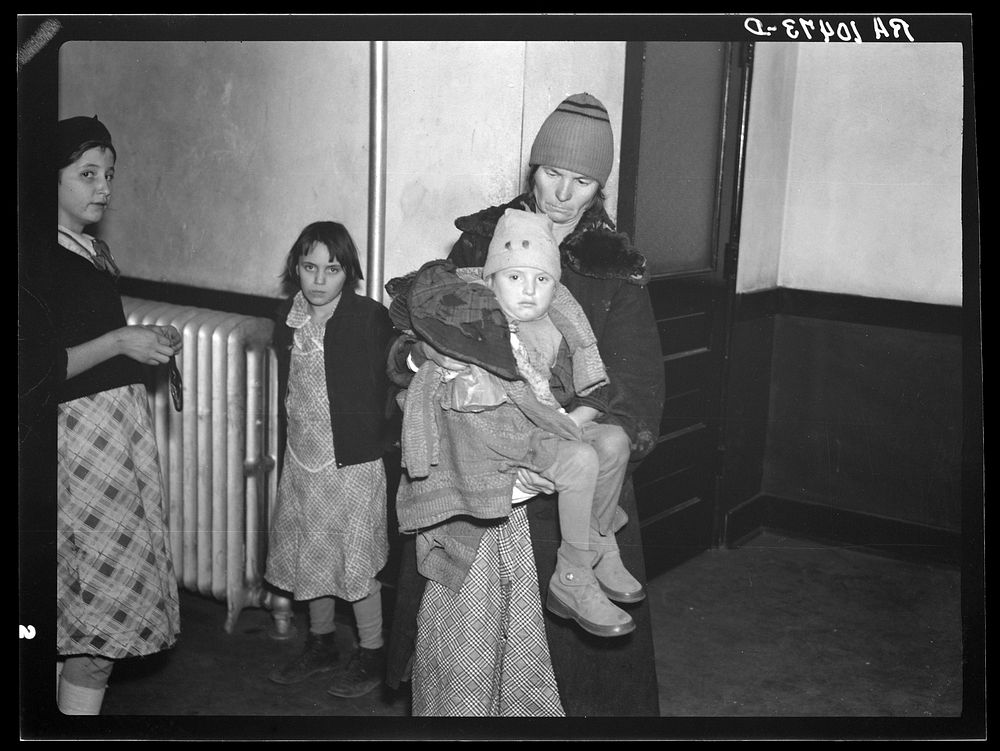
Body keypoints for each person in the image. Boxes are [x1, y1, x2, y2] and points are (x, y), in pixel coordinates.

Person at [385, 93, 665, 716]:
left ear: (601, 187)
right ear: (532, 168)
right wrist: (421, 365)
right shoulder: (482, 242)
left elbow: (638, 388)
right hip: (473, 476)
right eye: (552, 173)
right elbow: (419, 334)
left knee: (563, 678)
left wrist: (569, 428)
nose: (563, 194)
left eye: (583, 180)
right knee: (461, 657)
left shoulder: (614, 267)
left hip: (570, 478)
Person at [391, 208, 643, 643]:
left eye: (542, 280)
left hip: (539, 426)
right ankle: (571, 575)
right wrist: (429, 354)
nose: (529, 290)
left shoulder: (557, 328)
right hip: (493, 441)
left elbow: (590, 390)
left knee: (615, 442)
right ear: (489, 281)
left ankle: (598, 542)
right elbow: (406, 350)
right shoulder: (469, 315)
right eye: (514, 278)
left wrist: (565, 422)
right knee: (580, 460)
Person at [45, 116, 183, 715]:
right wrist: (121, 343)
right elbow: (35, 370)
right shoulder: (37, 257)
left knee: (81, 625)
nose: (104, 187)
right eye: (87, 174)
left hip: (112, 439)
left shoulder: (89, 249)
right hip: (75, 450)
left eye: (109, 175)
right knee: (91, 629)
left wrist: (142, 343)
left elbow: (91, 339)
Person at [264, 220, 396, 700]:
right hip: (304, 457)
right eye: (309, 267)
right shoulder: (290, 316)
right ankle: (321, 644)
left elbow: (393, 385)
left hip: (353, 463)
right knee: (308, 551)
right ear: (296, 268)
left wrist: (380, 444)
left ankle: (373, 651)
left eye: (332, 269)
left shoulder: (367, 318)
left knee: (355, 561)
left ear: (349, 272)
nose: (319, 280)